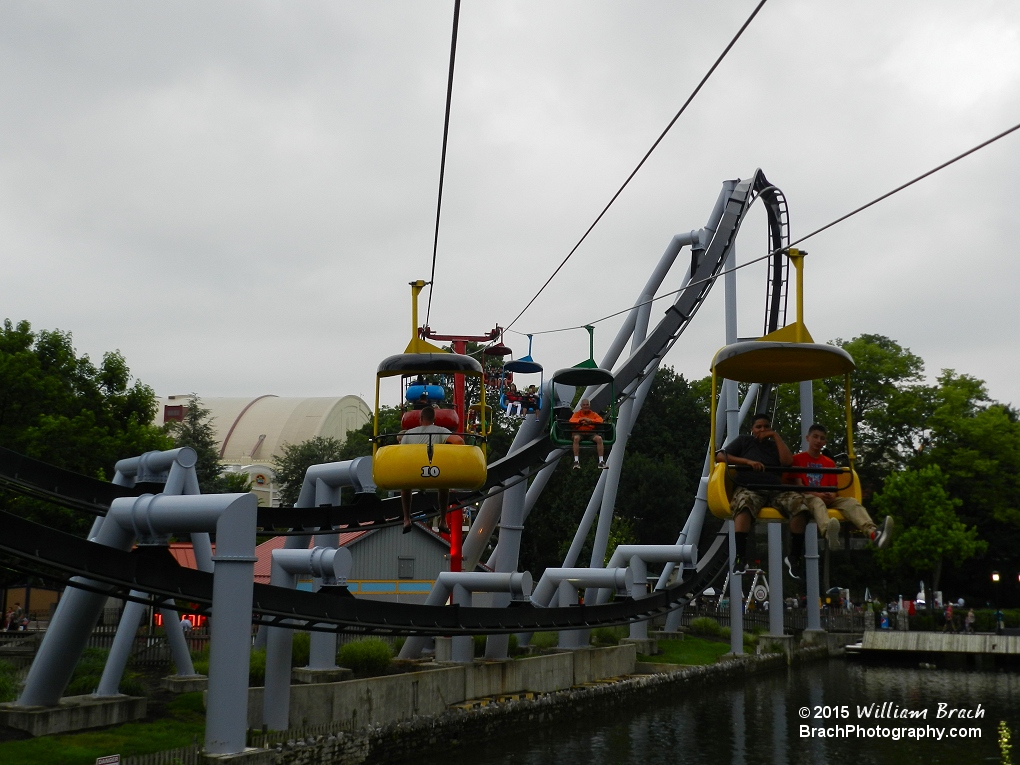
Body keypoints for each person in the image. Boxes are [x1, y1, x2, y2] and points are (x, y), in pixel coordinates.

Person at [784, 423, 894, 578]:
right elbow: (799, 487)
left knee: (850, 502)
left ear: (825, 442)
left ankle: (873, 533)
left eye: (822, 438)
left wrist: (831, 495)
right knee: (817, 502)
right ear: (808, 438)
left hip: (826, 496)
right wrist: (818, 494)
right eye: (815, 437)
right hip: (808, 498)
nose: (818, 441)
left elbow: (833, 488)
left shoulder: (829, 463)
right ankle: (828, 530)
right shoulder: (798, 460)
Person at [716, 413, 804, 572]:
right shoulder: (744, 441)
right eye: (759, 427)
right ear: (752, 429)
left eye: (766, 427)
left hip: (775, 490)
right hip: (750, 487)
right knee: (744, 504)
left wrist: (775, 437)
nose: (763, 430)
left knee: (800, 505)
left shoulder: (774, 446)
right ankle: (740, 557)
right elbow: (720, 456)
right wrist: (747, 462)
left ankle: (794, 557)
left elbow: (788, 462)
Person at [398, 405, 452, 535]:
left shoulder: (410, 433)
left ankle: (406, 518)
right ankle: (443, 520)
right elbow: (459, 441)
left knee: (405, 487)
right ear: (434, 419)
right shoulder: (440, 430)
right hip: (434, 472)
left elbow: (400, 453)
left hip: (415, 473)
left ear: (420, 418)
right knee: (444, 486)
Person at [569, 399, 607, 470]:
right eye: (584, 405)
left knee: (599, 439)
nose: (585, 406)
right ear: (581, 406)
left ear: (589, 406)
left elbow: (600, 420)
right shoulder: (577, 414)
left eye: (587, 405)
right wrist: (581, 420)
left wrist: (590, 421)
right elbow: (571, 420)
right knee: (576, 438)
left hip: (590, 433)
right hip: (579, 432)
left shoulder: (593, 414)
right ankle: (576, 461)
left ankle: (601, 461)